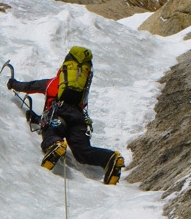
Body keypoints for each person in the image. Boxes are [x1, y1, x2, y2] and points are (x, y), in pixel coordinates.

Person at [7, 47, 125, 185]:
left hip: (58, 114)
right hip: (79, 119)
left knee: (51, 132)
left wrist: (13, 84)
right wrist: (36, 118)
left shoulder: (52, 83)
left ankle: (54, 144)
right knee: (82, 152)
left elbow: (28, 86)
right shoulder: (82, 91)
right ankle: (109, 157)